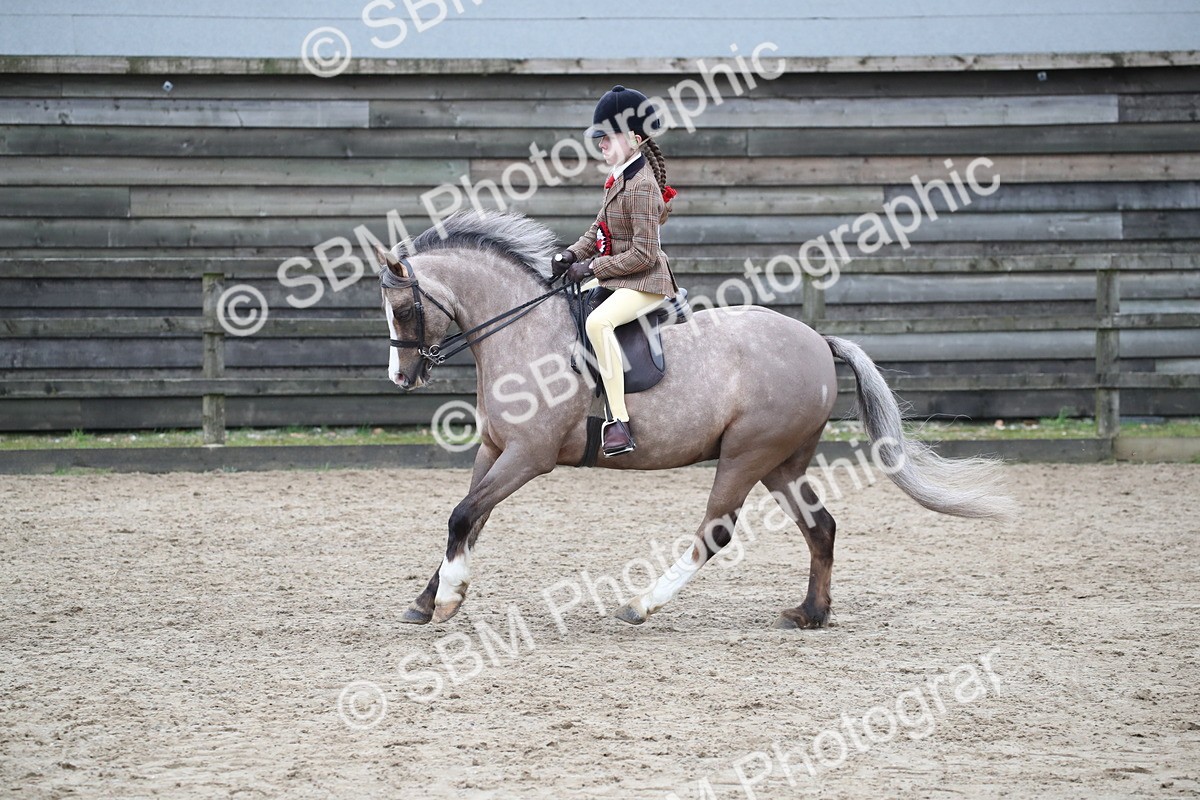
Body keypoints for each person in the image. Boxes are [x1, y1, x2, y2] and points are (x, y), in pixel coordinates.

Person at [551, 85, 680, 458]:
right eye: (600, 138)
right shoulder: (619, 179)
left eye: (608, 137)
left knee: (598, 323)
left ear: (635, 140)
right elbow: (598, 232)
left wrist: (592, 266)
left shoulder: (641, 187)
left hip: (646, 280)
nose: (601, 144)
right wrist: (568, 255)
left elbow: (644, 253)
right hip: (623, 276)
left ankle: (619, 423)